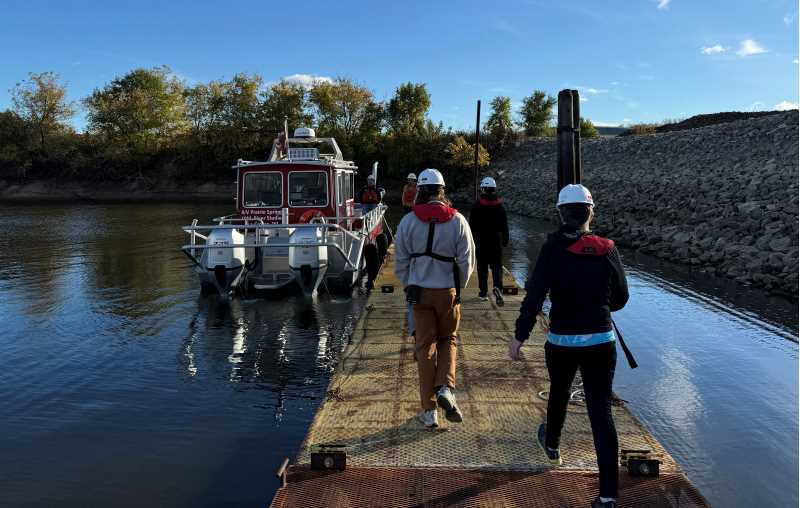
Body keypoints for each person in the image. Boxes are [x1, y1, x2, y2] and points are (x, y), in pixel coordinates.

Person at [508, 184, 629, 508]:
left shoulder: (551, 248)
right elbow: (621, 297)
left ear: (560, 212)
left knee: (559, 392)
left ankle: (552, 445)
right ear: (590, 212)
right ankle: (607, 496)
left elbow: (534, 295)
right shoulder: (608, 248)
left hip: (561, 341)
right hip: (601, 341)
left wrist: (520, 336)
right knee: (601, 414)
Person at [395, 168, 476, 429]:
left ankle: (429, 411)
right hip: (447, 292)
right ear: (442, 191)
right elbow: (467, 261)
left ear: (420, 191)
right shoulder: (458, 221)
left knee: (424, 347)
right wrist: (457, 288)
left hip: (419, 293)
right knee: (448, 339)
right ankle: (446, 388)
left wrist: (410, 285)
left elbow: (400, 263)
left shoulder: (408, 222)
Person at [468, 176, 509, 306]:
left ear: (483, 188)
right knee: (497, 266)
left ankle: (483, 293)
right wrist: (505, 240)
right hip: (496, 241)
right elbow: (505, 226)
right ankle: (497, 286)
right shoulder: (500, 206)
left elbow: (471, 225)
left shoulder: (477, 205)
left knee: (482, 267)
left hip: (481, 241)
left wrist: (471, 241)